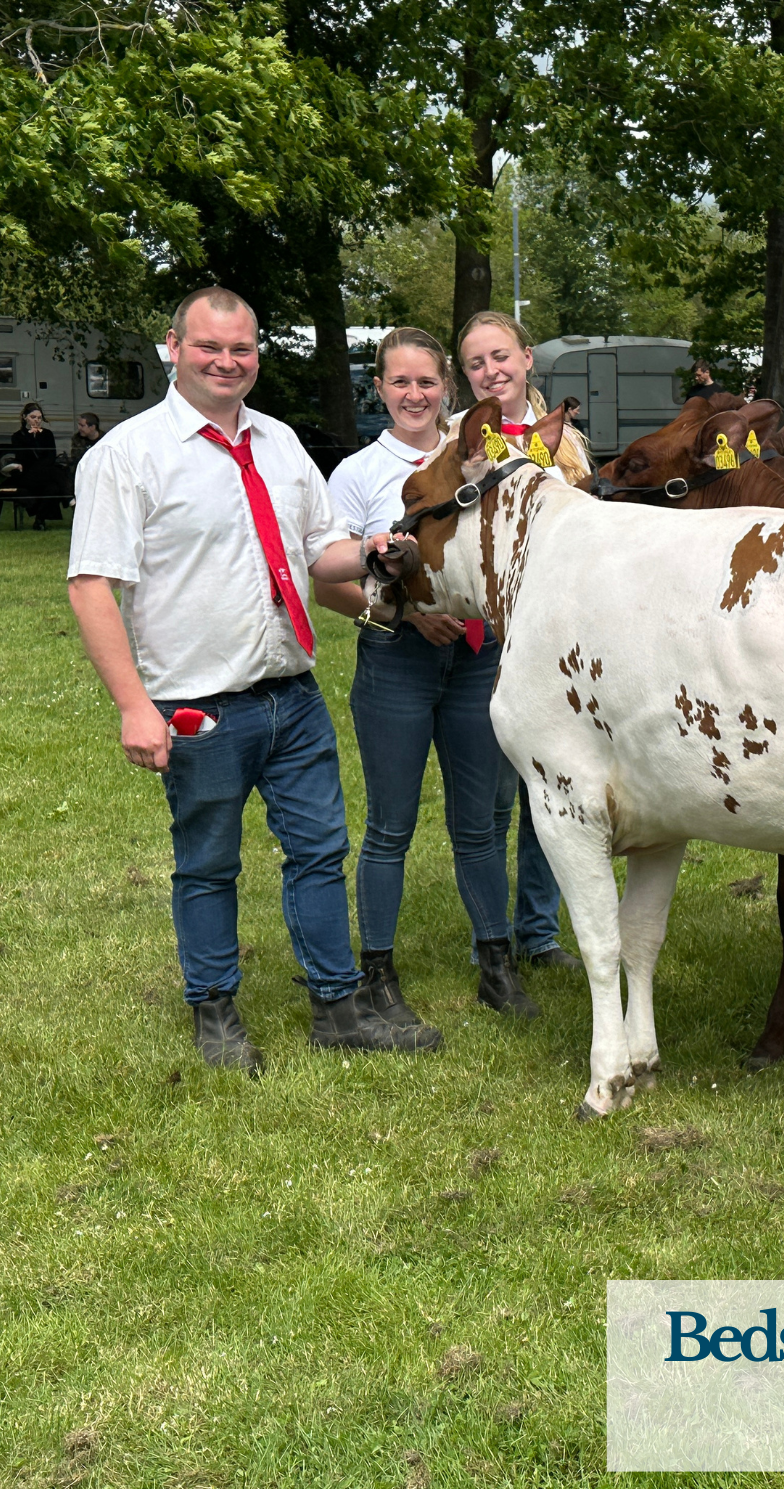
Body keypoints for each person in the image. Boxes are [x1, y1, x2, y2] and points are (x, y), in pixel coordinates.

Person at [66, 286, 436, 1077]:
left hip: (291, 694)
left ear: (256, 355)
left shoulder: (278, 442)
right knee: (208, 861)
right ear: (174, 347)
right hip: (197, 706)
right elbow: (92, 584)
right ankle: (216, 1010)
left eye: (241, 349)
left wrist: (371, 551)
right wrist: (135, 707)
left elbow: (318, 549)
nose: (226, 362)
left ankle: (338, 1007)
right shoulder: (129, 455)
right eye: (209, 347)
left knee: (319, 853)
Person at [311, 327, 541, 1022]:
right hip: (399, 663)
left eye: (428, 382)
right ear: (378, 388)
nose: (415, 394)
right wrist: (406, 617)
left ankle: (495, 963)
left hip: (477, 660)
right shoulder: (357, 474)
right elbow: (328, 585)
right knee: (391, 826)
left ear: (447, 387)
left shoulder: (474, 455)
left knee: (479, 825)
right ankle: (377, 970)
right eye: (400, 382)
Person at [455, 309, 593, 972]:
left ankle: (539, 930)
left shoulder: (565, 442)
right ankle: (493, 935)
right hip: (491, 644)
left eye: (501, 357)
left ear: (527, 358)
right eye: (477, 363)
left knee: (556, 787)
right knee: (495, 798)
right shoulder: (460, 441)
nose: (491, 371)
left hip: (559, 642)